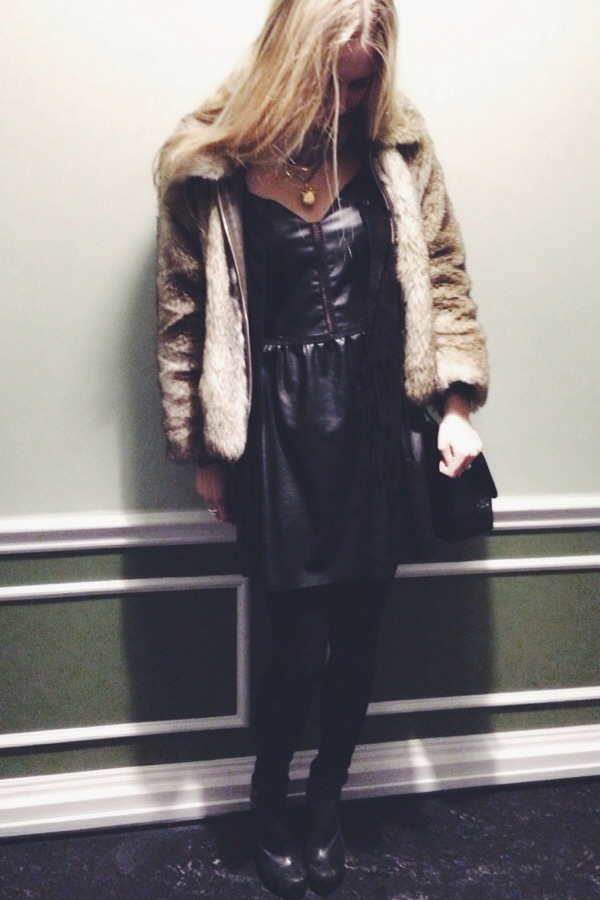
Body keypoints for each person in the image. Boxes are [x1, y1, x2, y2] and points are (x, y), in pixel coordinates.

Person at [155, 0, 488, 895]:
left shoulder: (396, 147)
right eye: (333, 77)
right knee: (300, 648)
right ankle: (269, 799)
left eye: (364, 80)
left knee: (359, 641)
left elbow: (444, 273)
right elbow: (184, 315)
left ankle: (326, 803)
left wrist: (456, 405)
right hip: (276, 433)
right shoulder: (210, 163)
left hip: (379, 425)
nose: (348, 97)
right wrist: (206, 449)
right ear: (290, 57)